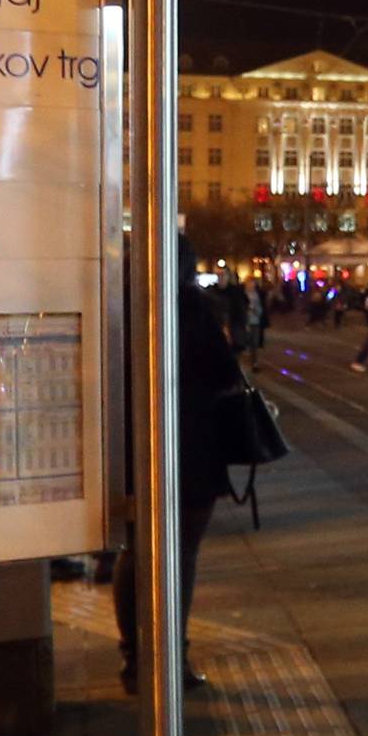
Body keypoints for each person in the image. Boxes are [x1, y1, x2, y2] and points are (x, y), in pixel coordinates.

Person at [114, 235, 245, 694]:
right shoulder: (192, 307)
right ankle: (171, 658)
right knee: (181, 554)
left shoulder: (116, 305)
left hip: (126, 448)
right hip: (189, 448)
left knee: (134, 551)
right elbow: (226, 375)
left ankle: (134, 659)